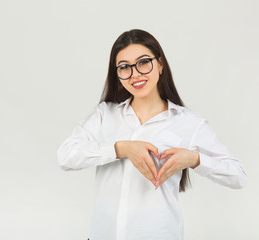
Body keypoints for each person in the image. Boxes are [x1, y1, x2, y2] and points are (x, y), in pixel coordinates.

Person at [57, 29, 246, 240]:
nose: (135, 74)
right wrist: (122, 148)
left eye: (143, 62)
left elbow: (237, 176)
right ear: (117, 74)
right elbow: (65, 157)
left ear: (160, 64)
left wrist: (194, 160)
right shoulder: (105, 115)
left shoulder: (188, 122)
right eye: (124, 67)